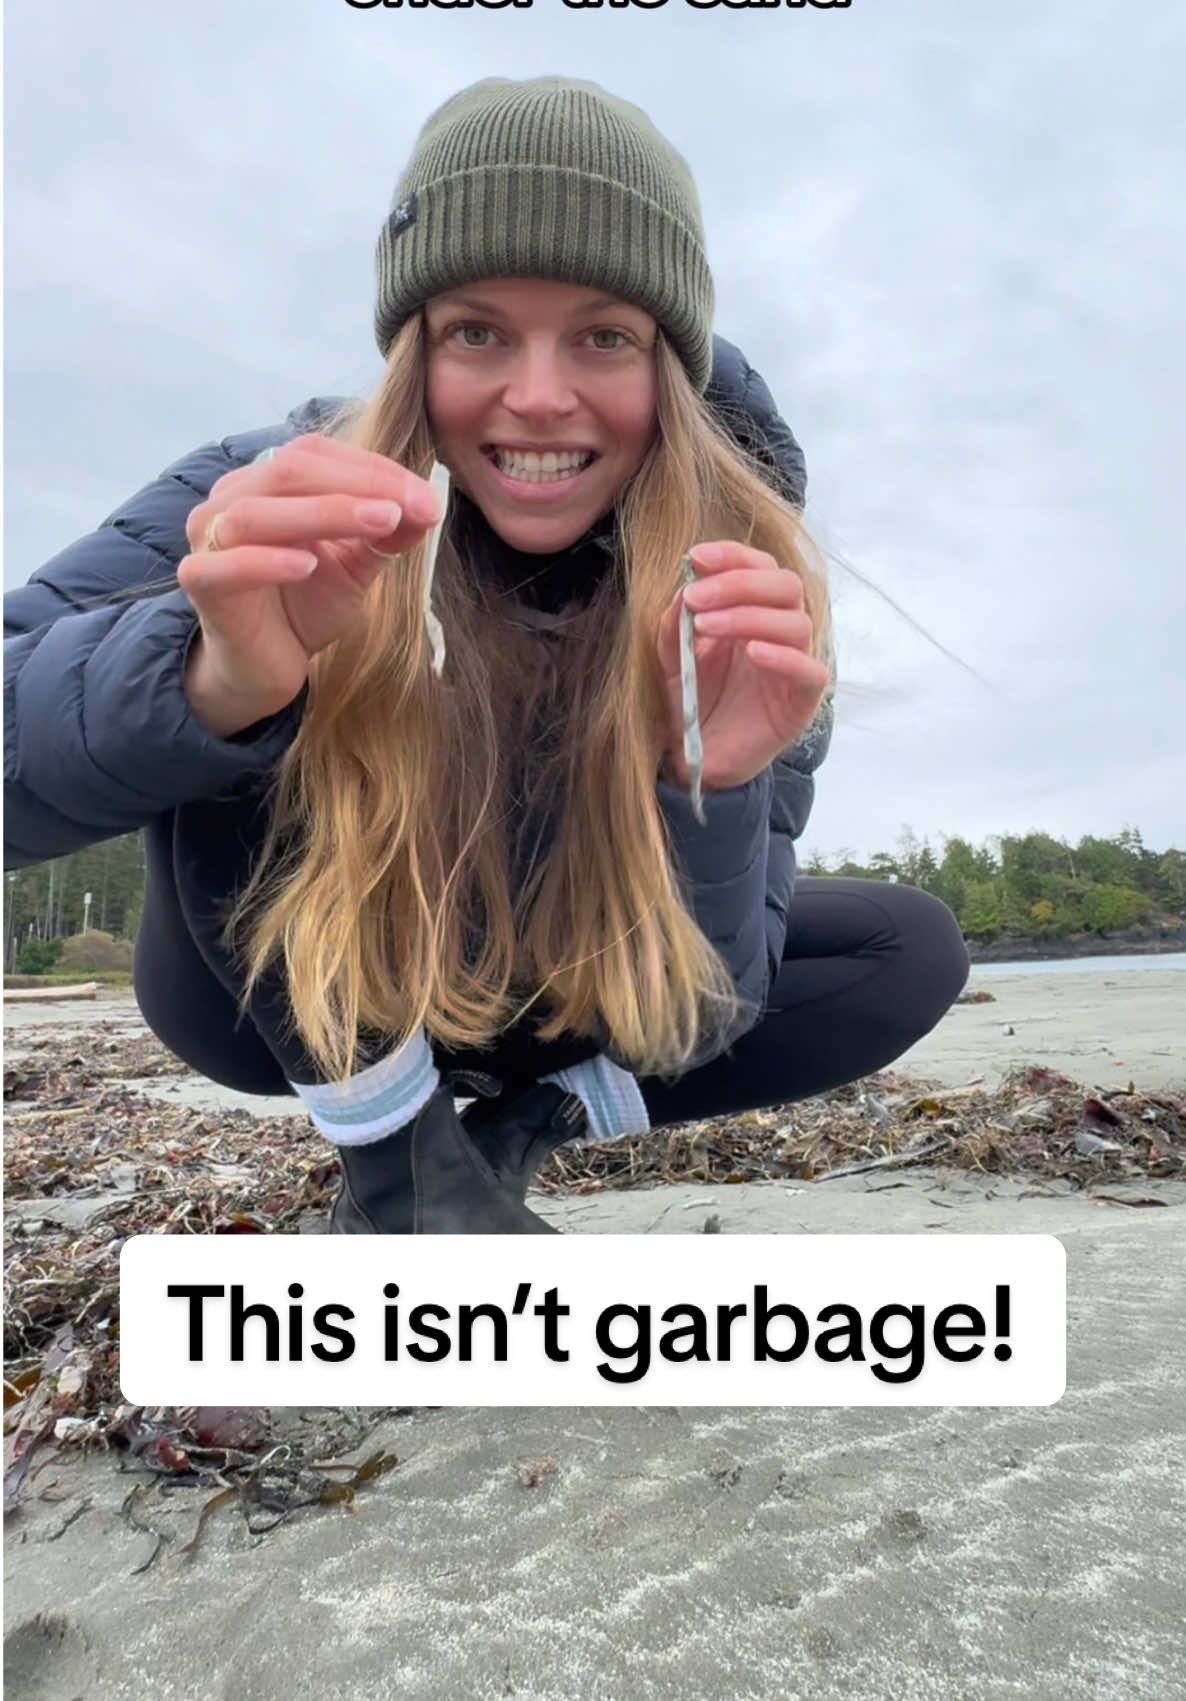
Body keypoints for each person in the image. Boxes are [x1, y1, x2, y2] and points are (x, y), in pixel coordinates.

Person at [3, 77, 969, 1235]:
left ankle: (515, 1135)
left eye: (604, 336)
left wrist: (706, 786)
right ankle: (398, 1156)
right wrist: (212, 681)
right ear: (415, 347)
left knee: (906, 949)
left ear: (671, 363)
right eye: (478, 332)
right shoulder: (266, 483)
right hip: (286, 996)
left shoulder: (738, 573)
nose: (540, 397)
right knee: (263, 643)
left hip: (555, 980)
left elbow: (711, 1004)